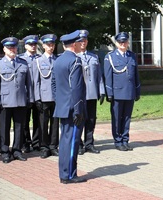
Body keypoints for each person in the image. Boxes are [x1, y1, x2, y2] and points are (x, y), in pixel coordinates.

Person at [52, 30, 87, 184]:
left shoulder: (58, 61)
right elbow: (77, 88)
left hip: (63, 107)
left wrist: (60, 102)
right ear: (74, 44)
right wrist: (78, 110)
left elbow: (54, 85)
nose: (81, 44)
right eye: (79, 42)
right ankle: (69, 175)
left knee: (65, 141)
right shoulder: (75, 61)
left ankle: (64, 173)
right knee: (72, 142)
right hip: (73, 109)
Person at [0, 37, 33, 163]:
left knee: (19, 127)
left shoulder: (23, 63)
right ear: (4, 49)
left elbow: (29, 84)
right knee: (4, 128)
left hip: (20, 100)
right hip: (5, 101)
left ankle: (17, 150)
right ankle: (5, 151)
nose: (12, 49)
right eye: (9, 47)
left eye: (14, 47)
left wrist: (30, 99)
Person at [104, 32, 141, 151]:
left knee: (127, 118)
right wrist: (109, 93)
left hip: (129, 92)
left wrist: (137, 91)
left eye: (124, 42)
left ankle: (125, 140)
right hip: (117, 93)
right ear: (116, 43)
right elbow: (108, 76)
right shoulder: (110, 56)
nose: (123, 44)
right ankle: (118, 141)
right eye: (120, 42)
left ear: (128, 42)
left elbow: (136, 75)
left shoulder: (132, 56)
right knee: (116, 118)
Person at [77, 30, 105, 155]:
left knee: (91, 119)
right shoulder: (74, 57)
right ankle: (78, 144)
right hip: (79, 95)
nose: (83, 43)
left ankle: (89, 143)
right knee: (79, 120)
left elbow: (99, 76)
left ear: (87, 42)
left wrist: (102, 91)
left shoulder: (94, 57)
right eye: (80, 41)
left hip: (92, 93)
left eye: (85, 40)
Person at [33, 34, 59, 159]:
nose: (51, 47)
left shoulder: (57, 60)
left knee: (55, 123)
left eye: (52, 44)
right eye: (48, 44)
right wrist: (37, 98)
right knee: (43, 123)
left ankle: (53, 146)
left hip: (56, 97)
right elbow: (36, 81)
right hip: (43, 96)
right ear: (43, 46)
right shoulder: (37, 61)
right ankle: (44, 147)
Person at [20, 35, 41, 153]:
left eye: (34, 44)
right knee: (25, 120)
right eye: (30, 44)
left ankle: (36, 142)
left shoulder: (40, 58)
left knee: (37, 119)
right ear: (26, 46)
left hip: (38, 94)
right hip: (26, 94)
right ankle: (25, 143)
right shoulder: (21, 59)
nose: (33, 46)